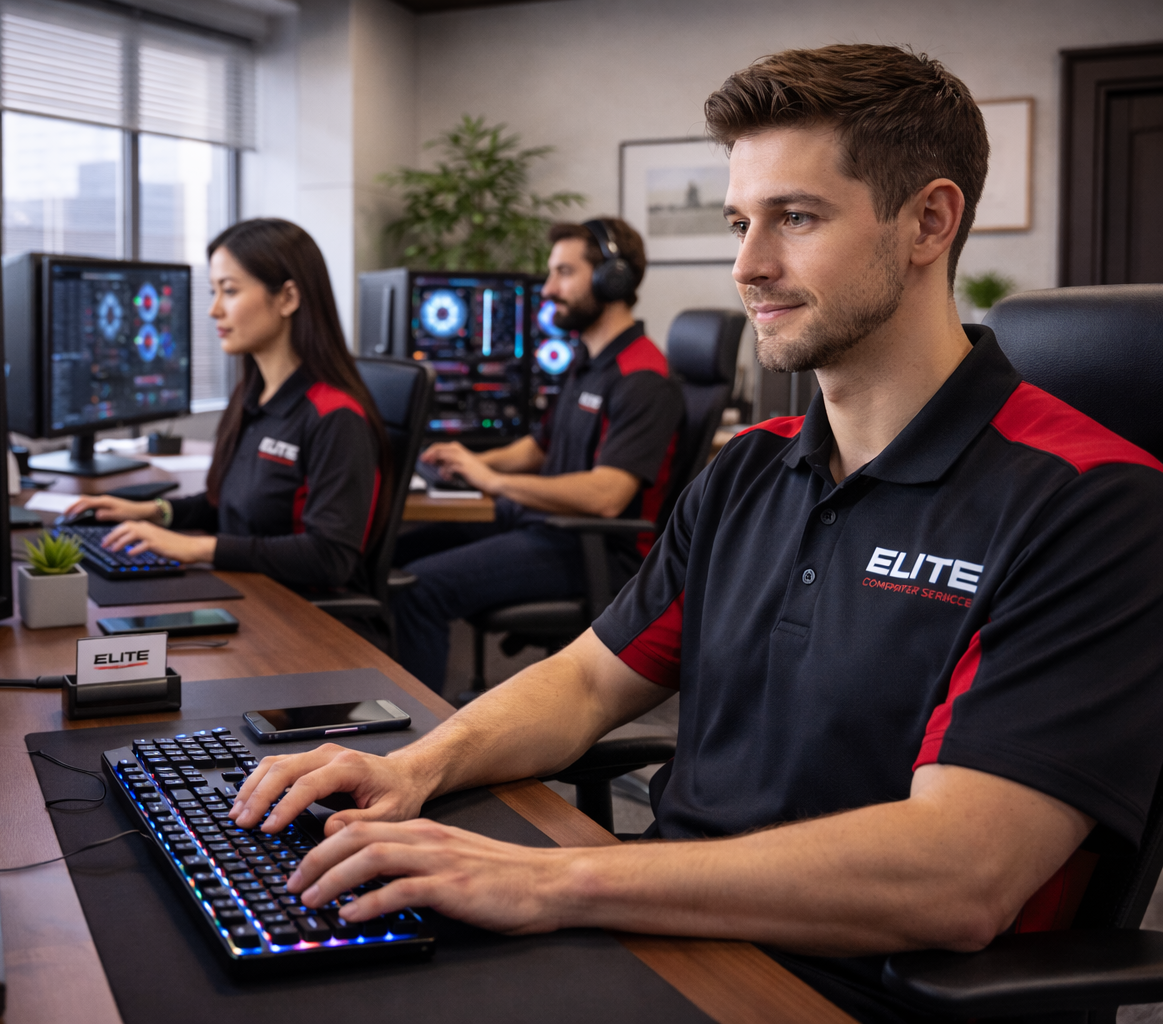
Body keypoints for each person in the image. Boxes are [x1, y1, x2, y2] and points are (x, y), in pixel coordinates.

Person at [226, 44, 1163, 1023]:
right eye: (740, 221)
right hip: (659, 933)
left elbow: (959, 874)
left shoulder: (1095, 501)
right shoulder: (752, 466)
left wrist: (555, 881)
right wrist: (412, 765)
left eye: (795, 218)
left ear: (929, 220)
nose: (747, 265)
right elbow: (589, 679)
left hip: (847, 989)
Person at [392, 217, 684, 691]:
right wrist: (472, 461)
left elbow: (608, 495)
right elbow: (538, 447)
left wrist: (493, 482)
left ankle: (418, 740)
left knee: (421, 590)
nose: (548, 289)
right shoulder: (588, 362)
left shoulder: (642, 377)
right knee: (391, 551)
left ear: (615, 278)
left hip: (595, 549)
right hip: (541, 524)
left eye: (564, 273)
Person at [67, 218, 392, 595]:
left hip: (305, 620)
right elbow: (232, 506)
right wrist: (154, 512)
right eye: (213, 292)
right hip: (251, 592)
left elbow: (330, 557)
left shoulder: (335, 417)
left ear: (287, 298)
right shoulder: (250, 396)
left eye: (230, 291)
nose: (214, 310)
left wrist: (198, 548)